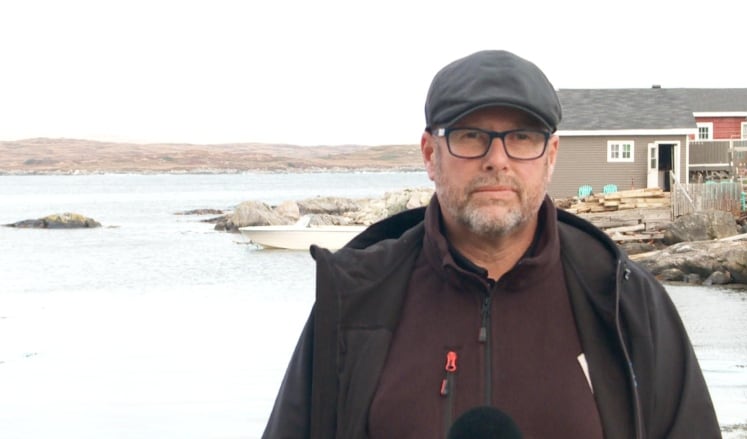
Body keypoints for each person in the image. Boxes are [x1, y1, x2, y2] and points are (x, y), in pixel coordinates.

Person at [261, 50, 721, 438]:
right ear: (429, 154)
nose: (496, 160)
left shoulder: (624, 304)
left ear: (551, 156)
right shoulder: (356, 301)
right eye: (471, 136)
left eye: (521, 137)